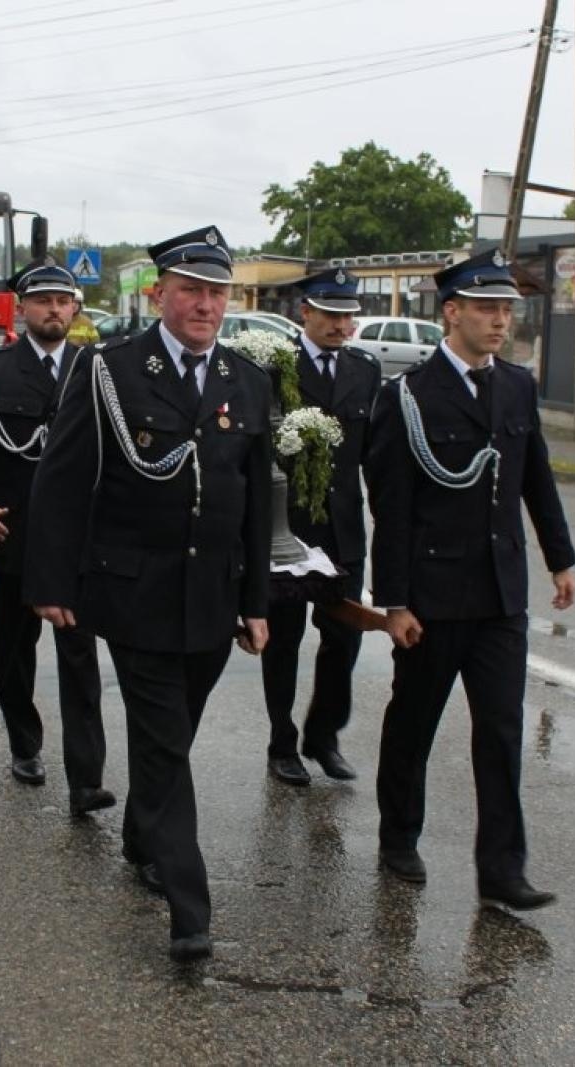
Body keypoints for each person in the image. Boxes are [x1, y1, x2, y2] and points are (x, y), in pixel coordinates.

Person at [24, 226, 273, 961]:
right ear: (158, 293)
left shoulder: (246, 381)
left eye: (217, 291)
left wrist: (256, 602)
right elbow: (63, 481)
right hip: (133, 591)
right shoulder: (110, 370)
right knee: (166, 743)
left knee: (178, 734)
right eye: (190, 290)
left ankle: (140, 834)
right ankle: (189, 906)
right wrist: (50, 581)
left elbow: (258, 505)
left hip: (212, 597)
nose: (205, 304)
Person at [363, 248, 575, 908]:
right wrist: (394, 600)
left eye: (507, 309)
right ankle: (399, 835)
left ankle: (502, 871)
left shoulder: (514, 385)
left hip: (499, 595)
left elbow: (534, 475)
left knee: (502, 732)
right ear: (450, 312)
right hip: (432, 597)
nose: (500, 321)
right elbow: (391, 504)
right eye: (487, 307)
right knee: (414, 723)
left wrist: (559, 556)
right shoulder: (408, 397)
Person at [0, 261, 112, 817]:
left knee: (80, 656)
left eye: (64, 300)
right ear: (23, 309)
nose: (55, 310)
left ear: (77, 309)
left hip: (78, 539)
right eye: (43, 301)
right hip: (11, 529)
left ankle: (86, 779)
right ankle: (25, 743)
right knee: (15, 651)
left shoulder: (97, 369)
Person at [260, 268, 381, 787]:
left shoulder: (365, 370)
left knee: (344, 638)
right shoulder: (272, 367)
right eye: (330, 313)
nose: (341, 324)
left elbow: (372, 454)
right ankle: (282, 741)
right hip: (289, 527)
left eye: (348, 314)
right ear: (304, 312)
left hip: (343, 528)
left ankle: (323, 736)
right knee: (283, 640)